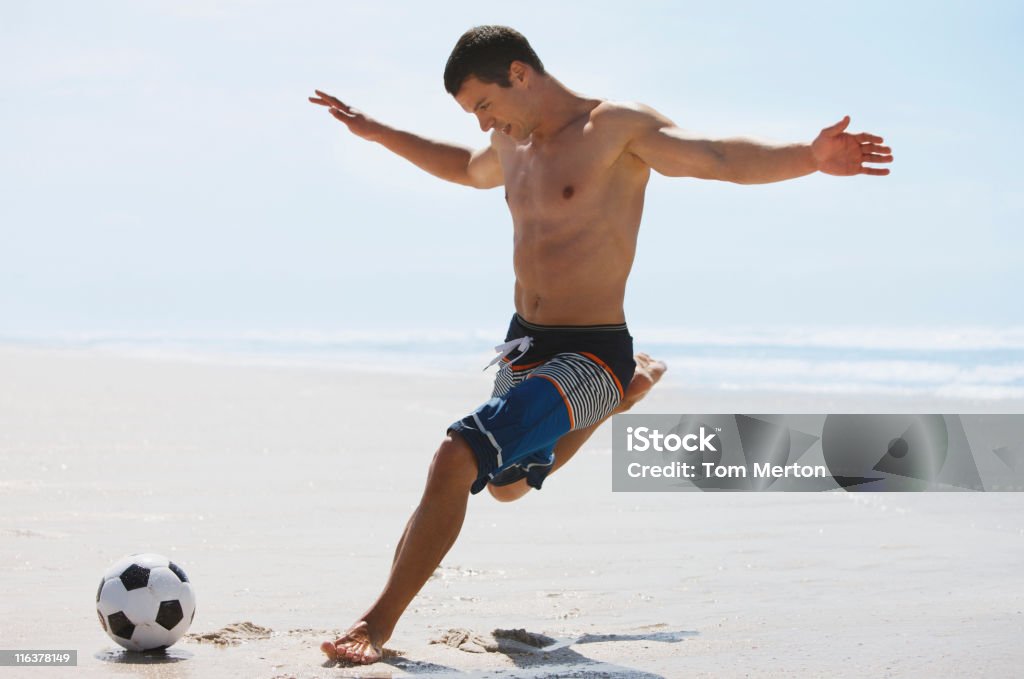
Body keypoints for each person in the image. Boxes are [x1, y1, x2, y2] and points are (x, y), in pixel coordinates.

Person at [309, 25, 892, 665]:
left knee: (457, 455)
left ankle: (375, 623)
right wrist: (378, 132)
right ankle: (620, 396)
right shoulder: (510, 142)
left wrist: (807, 156)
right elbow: (462, 168)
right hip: (521, 343)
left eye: (483, 104)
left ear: (519, 74)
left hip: (590, 348)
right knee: (504, 485)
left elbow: (718, 157)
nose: (483, 124)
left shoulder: (613, 129)